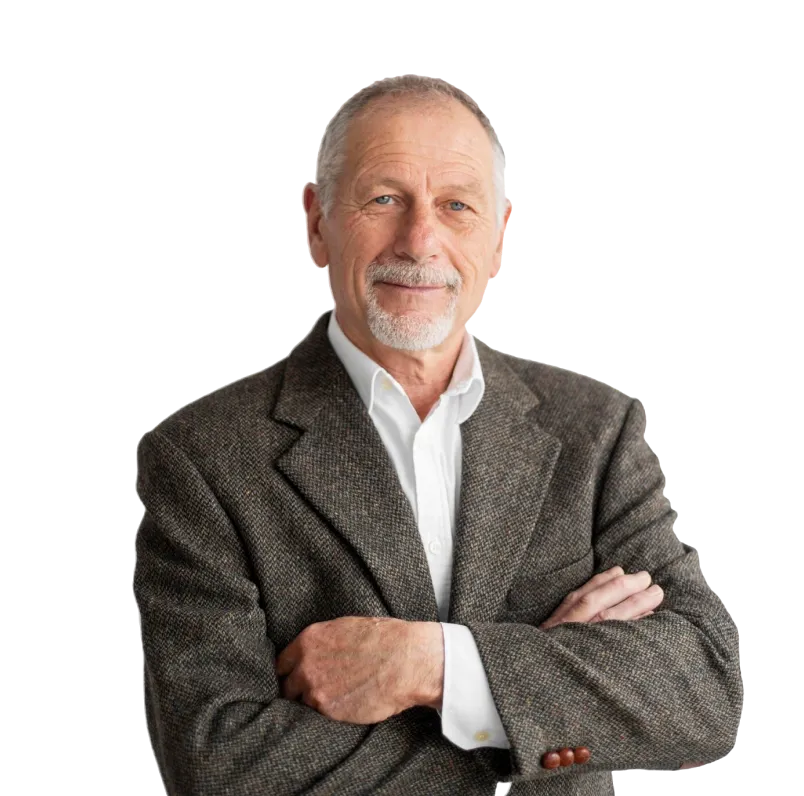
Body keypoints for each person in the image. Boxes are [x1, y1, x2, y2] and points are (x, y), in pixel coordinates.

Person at [134, 75, 742, 795]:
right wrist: (529, 701)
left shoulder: (597, 431)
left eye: (456, 205)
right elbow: (220, 767)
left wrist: (434, 666)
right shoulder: (201, 459)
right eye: (384, 199)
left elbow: (708, 691)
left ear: (499, 236)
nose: (420, 240)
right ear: (318, 224)